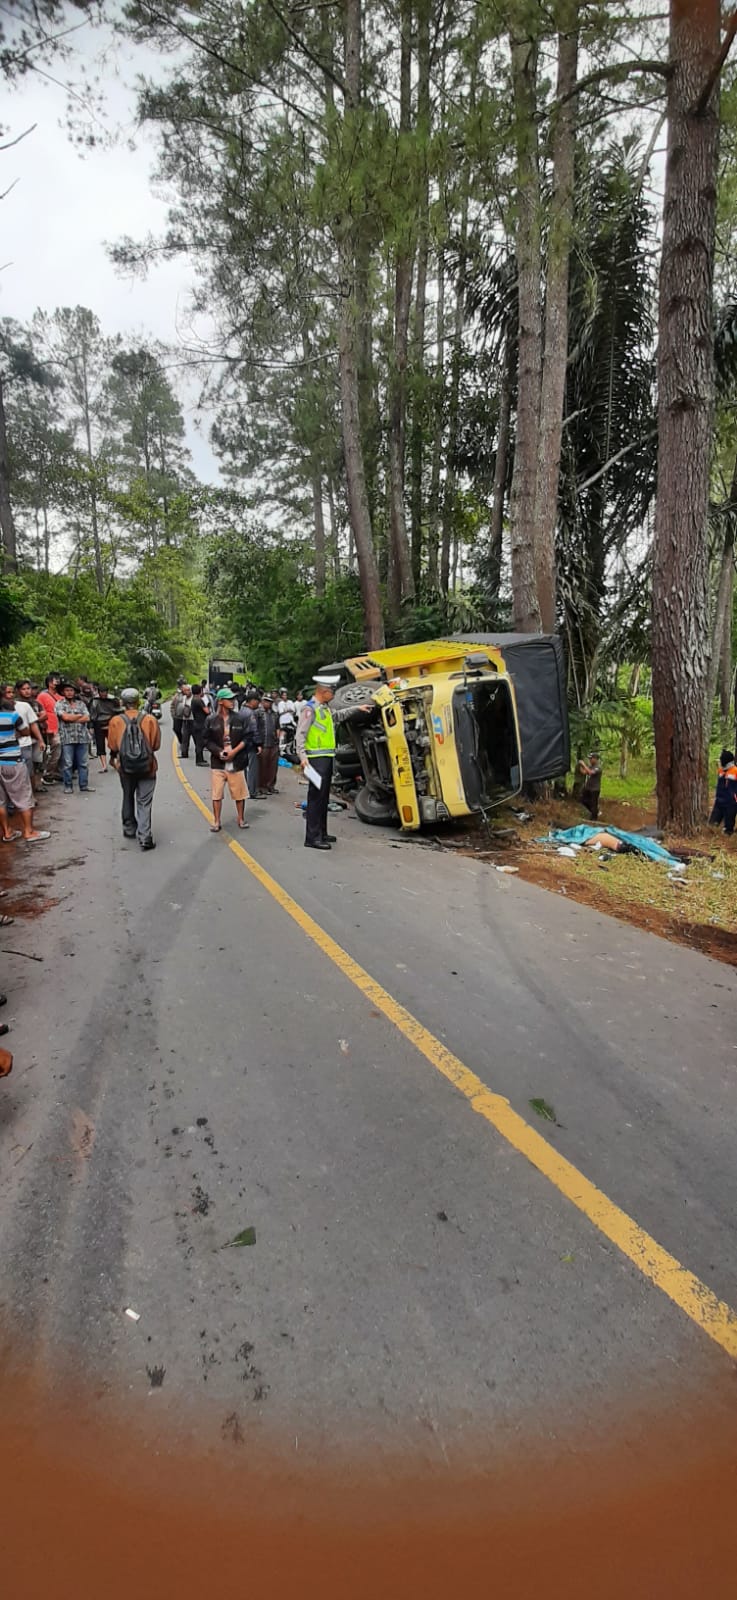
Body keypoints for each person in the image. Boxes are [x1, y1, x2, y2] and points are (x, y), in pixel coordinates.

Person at [296, 675, 371, 850]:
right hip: (314, 760)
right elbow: (300, 735)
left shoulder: (325, 708)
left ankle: (321, 832)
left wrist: (357, 708)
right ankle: (312, 837)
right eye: (332, 692)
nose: (334, 696)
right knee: (315, 798)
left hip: (326, 758)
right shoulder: (309, 709)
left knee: (323, 798)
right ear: (323, 692)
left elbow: (338, 716)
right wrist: (303, 758)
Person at [107, 687, 161, 851]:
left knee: (127, 794)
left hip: (125, 766)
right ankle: (145, 836)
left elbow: (112, 745)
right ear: (138, 702)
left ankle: (129, 827)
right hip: (147, 766)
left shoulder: (116, 721)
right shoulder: (150, 719)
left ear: (122, 703)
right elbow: (156, 745)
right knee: (144, 801)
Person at [0, 686, 50, 844]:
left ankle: (7, 832)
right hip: (12, 760)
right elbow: (26, 731)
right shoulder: (13, 716)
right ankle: (29, 831)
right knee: (24, 797)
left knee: (0, 800)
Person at [204, 688, 250, 832]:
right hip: (218, 762)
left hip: (236, 761)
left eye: (233, 699)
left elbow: (247, 738)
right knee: (217, 793)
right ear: (221, 701)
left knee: (239, 793)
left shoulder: (239, 718)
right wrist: (218, 752)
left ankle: (240, 818)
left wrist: (234, 752)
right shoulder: (211, 719)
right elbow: (206, 740)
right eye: (229, 699)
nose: (232, 702)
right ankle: (216, 821)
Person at [57, 682, 93, 794]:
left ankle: (84, 785)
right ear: (63, 692)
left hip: (82, 737)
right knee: (68, 763)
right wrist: (78, 716)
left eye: (71, 690)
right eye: (67, 690)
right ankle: (68, 786)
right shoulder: (59, 704)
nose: (69, 692)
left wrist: (72, 718)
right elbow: (65, 717)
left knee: (83, 763)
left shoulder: (81, 703)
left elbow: (87, 718)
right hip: (67, 738)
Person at [13, 680, 45, 790]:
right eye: (24, 689)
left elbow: (39, 719)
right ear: (17, 691)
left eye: (28, 688)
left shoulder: (34, 703)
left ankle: (34, 787)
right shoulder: (14, 705)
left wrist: (40, 739)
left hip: (34, 737)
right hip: (20, 740)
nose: (27, 691)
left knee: (36, 763)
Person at [37, 672, 62, 784]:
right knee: (52, 750)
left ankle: (54, 773)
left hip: (61, 726)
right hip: (48, 727)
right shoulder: (42, 696)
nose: (57, 682)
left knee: (59, 751)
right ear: (49, 683)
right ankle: (47, 774)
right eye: (55, 680)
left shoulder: (61, 696)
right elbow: (39, 712)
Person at [240, 690, 263, 799]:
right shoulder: (250, 713)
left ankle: (245, 789)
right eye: (257, 701)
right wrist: (258, 743)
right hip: (250, 744)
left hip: (242, 743)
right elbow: (254, 730)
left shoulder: (241, 710)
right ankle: (252, 791)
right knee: (252, 769)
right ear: (252, 701)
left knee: (244, 768)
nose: (258, 704)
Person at [709, 748, 737, 836]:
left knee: (728, 828)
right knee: (712, 825)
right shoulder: (720, 771)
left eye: (721, 759)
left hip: (731, 803)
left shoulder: (735, 771)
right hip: (719, 801)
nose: (720, 761)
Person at [90, 686, 117, 774]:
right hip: (99, 724)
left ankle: (113, 759)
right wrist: (91, 726)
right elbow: (92, 715)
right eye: (102, 692)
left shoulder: (113, 700)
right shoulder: (94, 701)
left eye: (105, 692)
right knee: (100, 745)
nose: (104, 694)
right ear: (99, 692)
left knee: (114, 744)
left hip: (111, 723)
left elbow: (118, 711)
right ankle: (104, 765)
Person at [258, 694, 279, 795]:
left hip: (273, 743)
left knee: (273, 766)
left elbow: (278, 727)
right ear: (262, 702)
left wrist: (279, 738)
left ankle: (271, 785)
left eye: (269, 701)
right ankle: (262, 786)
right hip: (263, 743)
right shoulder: (259, 713)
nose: (267, 703)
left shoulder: (274, 714)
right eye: (266, 701)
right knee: (263, 766)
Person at [578, 751, 602, 821]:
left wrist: (584, 765)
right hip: (588, 788)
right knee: (583, 800)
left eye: (591, 758)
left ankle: (594, 818)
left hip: (595, 789)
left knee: (594, 804)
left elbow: (590, 773)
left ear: (595, 759)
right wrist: (581, 765)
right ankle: (596, 812)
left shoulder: (598, 768)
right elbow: (584, 772)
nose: (590, 760)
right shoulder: (590, 767)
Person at [190, 684, 209, 766]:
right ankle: (199, 760)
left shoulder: (193, 699)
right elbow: (207, 711)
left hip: (196, 723)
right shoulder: (199, 700)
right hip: (200, 724)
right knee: (200, 743)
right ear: (200, 691)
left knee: (199, 742)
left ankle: (200, 759)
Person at [179, 684, 194, 758]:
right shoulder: (183, 698)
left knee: (196, 739)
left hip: (193, 720)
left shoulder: (194, 698)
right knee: (185, 738)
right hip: (185, 720)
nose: (186, 692)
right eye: (184, 691)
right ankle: (184, 754)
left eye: (188, 690)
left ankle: (199, 756)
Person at [170, 683, 186, 749]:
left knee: (187, 731)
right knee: (176, 729)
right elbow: (172, 705)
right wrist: (173, 714)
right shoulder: (176, 696)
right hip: (177, 716)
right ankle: (181, 741)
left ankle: (185, 745)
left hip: (186, 717)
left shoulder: (189, 696)